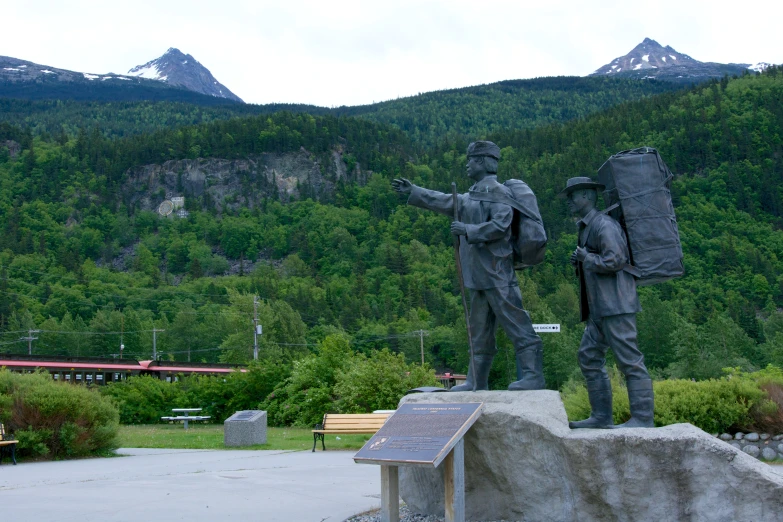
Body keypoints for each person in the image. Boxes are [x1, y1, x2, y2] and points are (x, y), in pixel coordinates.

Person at [392, 141, 544, 391]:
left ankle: (533, 375)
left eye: (471, 160)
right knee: (479, 331)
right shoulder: (473, 195)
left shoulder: (498, 193)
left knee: (516, 322)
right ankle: (476, 381)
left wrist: (468, 230)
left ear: (483, 162)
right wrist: (415, 190)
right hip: (478, 277)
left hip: (498, 274)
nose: (467, 164)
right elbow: (448, 201)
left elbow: (501, 224)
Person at [559, 177, 653, 428]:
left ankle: (643, 419)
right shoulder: (587, 227)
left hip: (617, 306)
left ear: (588, 196)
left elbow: (615, 261)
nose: (569, 200)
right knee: (588, 356)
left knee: (629, 360)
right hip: (599, 309)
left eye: (573, 195)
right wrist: (582, 260)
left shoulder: (604, 225)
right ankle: (601, 416)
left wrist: (587, 257)